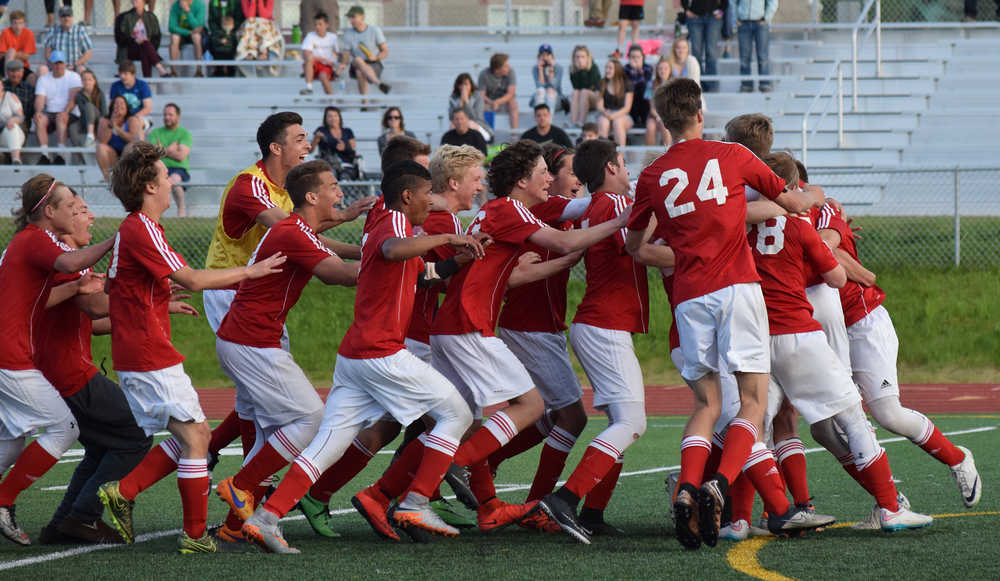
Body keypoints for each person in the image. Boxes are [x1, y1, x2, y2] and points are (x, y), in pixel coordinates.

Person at [242, 161, 485, 551]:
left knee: (328, 445)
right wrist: (451, 240)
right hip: (381, 353)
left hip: (356, 357)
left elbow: (423, 274)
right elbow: (392, 250)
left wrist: (460, 260)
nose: (431, 204)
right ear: (407, 196)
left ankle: (267, 518)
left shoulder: (391, 222)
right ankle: (416, 502)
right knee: (458, 414)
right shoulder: (393, 224)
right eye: (427, 196)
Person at [626, 78, 826, 549]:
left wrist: (682, 252)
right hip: (736, 288)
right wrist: (816, 196)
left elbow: (637, 247)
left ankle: (688, 490)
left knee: (705, 404)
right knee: (752, 403)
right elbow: (792, 203)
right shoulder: (732, 155)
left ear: (661, 120)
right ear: (701, 113)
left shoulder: (652, 176)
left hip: (690, 297)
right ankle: (720, 484)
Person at [428, 139, 633, 533]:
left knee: (465, 419)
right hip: (494, 325)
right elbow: (571, 231)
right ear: (533, 179)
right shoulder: (533, 208)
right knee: (548, 412)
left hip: (478, 325)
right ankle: (477, 471)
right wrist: (628, 210)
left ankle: (420, 491)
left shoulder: (511, 209)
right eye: (563, 172)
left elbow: (516, 264)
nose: (571, 180)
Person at [95, 142, 285, 554]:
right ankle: (194, 537)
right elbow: (196, 278)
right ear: (148, 186)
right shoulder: (140, 227)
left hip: (142, 350)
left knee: (190, 436)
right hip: (148, 353)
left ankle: (124, 491)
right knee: (199, 436)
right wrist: (251, 271)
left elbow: (120, 288)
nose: (171, 181)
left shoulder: (138, 228)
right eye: (165, 176)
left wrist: (161, 297)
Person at [199, 112, 369, 544]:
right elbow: (331, 268)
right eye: (332, 188)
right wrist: (392, 257)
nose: (306, 144)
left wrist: (374, 248)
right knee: (306, 418)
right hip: (238, 314)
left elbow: (318, 244)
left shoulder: (297, 223)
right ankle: (239, 483)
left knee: (273, 420)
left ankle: (240, 516)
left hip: (252, 331)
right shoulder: (260, 195)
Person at [815, 185, 983, 515]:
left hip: (861, 322)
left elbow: (826, 246)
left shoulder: (822, 209)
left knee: (887, 414)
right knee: (824, 428)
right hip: (818, 333)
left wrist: (850, 260)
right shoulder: (778, 219)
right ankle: (888, 499)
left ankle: (957, 458)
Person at [539, 138, 667, 544]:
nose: (628, 172)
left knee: (620, 423)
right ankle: (566, 499)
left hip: (603, 323)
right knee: (632, 422)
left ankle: (592, 511)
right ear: (611, 168)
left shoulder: (605, 205)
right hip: (602, 324)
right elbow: (637, 244)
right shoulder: (611, 205)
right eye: (624, 165)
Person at [33, 198, 157, 546]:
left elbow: (95, 321)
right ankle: (82, 517)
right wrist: (149, 294)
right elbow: (94, 305)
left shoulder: (61, 260)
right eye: (81, 210)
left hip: (59, 372)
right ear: (58, 217)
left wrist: (154, 309)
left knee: (104, 446)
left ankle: (64, 524)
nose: (91, 216)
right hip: (69, 373)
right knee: (136, 433)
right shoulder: (63, 262)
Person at [0, 174, 113, 547]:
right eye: (70, 207)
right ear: (49, 212)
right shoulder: (36, 240)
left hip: (12, 351)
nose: (79, 211)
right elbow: (68, 263)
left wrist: (78, 287)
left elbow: (48, 288)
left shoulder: (33, 241)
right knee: (64, 428)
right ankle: (3, 502)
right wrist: (117, 241)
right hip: (9, 354)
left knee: (13, 440)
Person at [490, 144, 590, 518]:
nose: (577, 178)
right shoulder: (546, 207)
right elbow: (587, 210)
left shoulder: (552, 208)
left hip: (541, 326)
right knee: (572, 417)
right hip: (529, 326)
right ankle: (540, 505)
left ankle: (486, 463)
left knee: (548, 414)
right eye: (569, 170)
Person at [33, 50, 82, 166]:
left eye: (60, 63)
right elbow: (40, 98)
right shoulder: (43, 79)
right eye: (55, 63)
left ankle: (61, 154)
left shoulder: (73, 77)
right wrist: (38, 112)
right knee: (39, 119)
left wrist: (65, 112)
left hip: (69, 112)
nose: (58, 65)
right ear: (51, 64)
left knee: (61, 117)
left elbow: (73, 99)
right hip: (50, 112)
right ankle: (44, 155)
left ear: (65, 64)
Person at [148, 103, 193, 217]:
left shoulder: (184, 134)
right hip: (158, 167)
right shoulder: (155, 133)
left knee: (174, 181)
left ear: (178, 116)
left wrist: (162, 151)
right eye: (165, 115)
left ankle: (181, 213)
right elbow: (152, 154)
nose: (167, 117)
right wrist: (170, 149)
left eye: (170, 115)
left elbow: (181, 156)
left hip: (178, 169)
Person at [340, 5, 390, 96]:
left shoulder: (375, 30)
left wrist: (375, 57)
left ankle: (364, 103)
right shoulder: (348, 34)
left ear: (362, 17)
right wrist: (342, 64)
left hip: (373, 64)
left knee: (360, 72)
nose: (351, 21)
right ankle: (379, 83)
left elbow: (385, 51)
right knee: (358, 60)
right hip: (356, 63)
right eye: (350, 18)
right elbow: (346, 57)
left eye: (353, 17)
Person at [114, 0, 171, 78]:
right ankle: (160, 68)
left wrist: (146, 42)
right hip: (128, 51)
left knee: (144, 46)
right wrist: (134, 40)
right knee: (145, 44)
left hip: (146, 50)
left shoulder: (151, 17)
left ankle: (147, 80)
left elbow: (157, 37)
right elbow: (119, 38)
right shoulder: (123, 17)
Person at [97, 95, 144, 181]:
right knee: (100, 147)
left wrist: (117, 129)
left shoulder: (132, 119)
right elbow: (103, 141)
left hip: (128, 154)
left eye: (122, 103)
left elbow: (132, 139)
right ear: (112, 107)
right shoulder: (104, 121)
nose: (119, 106)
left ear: (127, 107)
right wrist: (111, 124)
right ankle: (108, 177)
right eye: (116, 103)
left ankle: (124, 174)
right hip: (112, 153)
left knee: (132, 145)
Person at [734, 0, 777, 92]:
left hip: (760, 23)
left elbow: (773, 2)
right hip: (743, 23)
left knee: (763, 56)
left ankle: (765, 84)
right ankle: (746, 85)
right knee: (744, 57)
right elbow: (732, 2)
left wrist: (766, 18)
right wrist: (735, 17)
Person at [682, 0, 723, 92]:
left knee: (711, 52)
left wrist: (721, 10)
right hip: (695, 17)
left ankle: (712, 84)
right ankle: (698, 84)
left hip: (713, 17)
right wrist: (686, 10)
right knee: (696, 53)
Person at [300, 11, 343, 96]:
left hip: (327, 67)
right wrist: (323, 59)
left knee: (323, 76)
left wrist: (339, 64)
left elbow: (340, 53)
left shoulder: (333, 37)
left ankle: (332, 100)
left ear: (327, 25)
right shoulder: (310, 36)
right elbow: (306, 54)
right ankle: (309, 87)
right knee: (309, 59)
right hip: (314, 65)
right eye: (316, 24)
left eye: (320, 24)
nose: (317, 27)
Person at [311, 106, 358, 180]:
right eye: (330, 116)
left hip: (346, 165)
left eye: (335, 116)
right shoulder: (321, 130)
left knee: (345, 177)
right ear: (325, 119)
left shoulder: (347, 131)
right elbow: (310, 150)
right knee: (331, 176)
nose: (333, 118)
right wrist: (316, 139)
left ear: (339, 117)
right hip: (328, 165)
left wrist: (345, 148)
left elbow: (354, 153)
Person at [596, 60, 634, 146]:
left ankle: (621, 156)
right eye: (606, 67)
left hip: (623, 115)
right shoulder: (602, 83)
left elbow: (627, 108)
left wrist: (613, 116)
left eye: (610, 68)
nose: (607, 70)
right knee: (603, 122)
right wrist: (605, 113)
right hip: (606, 114)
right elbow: (599, 106)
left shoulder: (627, 83)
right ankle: (602, 155)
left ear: (617, 70)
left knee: (617, 122)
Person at [44, 7, 93, 73]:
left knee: (82, 70)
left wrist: (75, 65)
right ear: (59, 18)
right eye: (63, 16)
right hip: (56, 67)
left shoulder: (80, 30)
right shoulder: (53, 31)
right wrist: (57, 66)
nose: (66, 18)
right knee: (42, 69)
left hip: (76, 66)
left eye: (68, 16)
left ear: (72, 17)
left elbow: (88, 54)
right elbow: (47, 53)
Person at [478, 53, 518, 130]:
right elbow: (481, 95)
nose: (509, 67)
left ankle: (514, 133)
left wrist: (497, 102)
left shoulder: (511, 72)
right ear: (497, 69)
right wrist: (491, 103)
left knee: (513, 103)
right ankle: (488, 133)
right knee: (481, 106)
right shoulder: (484, 74)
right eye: (506, 66)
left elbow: (511, 94)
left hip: (505, 101)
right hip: (489, 102)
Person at [448, 72, 492, 142]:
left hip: (477, 123)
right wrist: (461, 103)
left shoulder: (478, 96)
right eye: (461, 84)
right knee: (452, 126)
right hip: (460, 123)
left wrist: (466, 101)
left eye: (466, 84)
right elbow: (451, 117)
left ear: (471, 85)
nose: (463, 87)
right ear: (457, 86)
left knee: (469, 124)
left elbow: (476, 117)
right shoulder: (453, 97)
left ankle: (483, 142)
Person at [169, 0, 206, 77]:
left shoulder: (200, 5)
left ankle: (199, 71)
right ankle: (173, 71)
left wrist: (188, 11)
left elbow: (198, 26)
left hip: (195, 34)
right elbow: (171, 27)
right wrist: (188, 32)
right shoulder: (175, 6)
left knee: (197, 37)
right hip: (183, 33)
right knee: (174, 37)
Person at [109, 60, 152, 125]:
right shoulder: (115, 86)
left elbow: (147, 108)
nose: (122, 76)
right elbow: (111, 107)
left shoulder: (143, 85)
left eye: (125, 74)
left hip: (139, 116)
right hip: (120, 116)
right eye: (121, 73)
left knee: (134, 123)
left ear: (133, 75)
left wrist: (132, 118)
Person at [569, 45, 600, 127]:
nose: (580, 59)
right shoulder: (572, 69)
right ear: (573, 58)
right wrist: (579, 71)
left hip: (595, 98)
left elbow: (589, 86)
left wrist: (582, 71)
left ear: (587, 58)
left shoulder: (593, 67)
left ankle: (581, 123)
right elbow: (576, 87)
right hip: (581, 99)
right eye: (577, 57)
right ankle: (574, 123)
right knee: (575, 92)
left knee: (584, 91)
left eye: (583, 57)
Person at [1, 11, 36, 84]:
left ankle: (29, 95)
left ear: (24, 24)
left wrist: (12, 54)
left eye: (20, 23)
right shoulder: (5, 32)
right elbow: (1, 54)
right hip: (4, 66)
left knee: (33, 78)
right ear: (11, 23)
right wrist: (16, 53)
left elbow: (26, 56)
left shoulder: (29, 33)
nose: (18, 26)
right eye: (15, 23)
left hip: (22, 66)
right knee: (11, 51)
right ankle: (8, 80)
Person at [623, 44, 653, 130]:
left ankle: (643, 120)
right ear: (629, 58)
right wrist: (633, 70)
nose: (635, 59)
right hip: (631, 95)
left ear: (642, 57)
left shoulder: (648, 68)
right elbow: (627, 84)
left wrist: (638, 70)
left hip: (644, 96)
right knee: (631, 92)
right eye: (633, 57)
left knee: (643, 89)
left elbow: (646, 82)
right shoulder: (625, 69)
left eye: (638, 57)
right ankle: (635, 120)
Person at [645, 56, 672, 145]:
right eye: (660, 68)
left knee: (665, 126)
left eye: (665, 68)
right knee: (650, 127)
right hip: (655, 115)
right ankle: (651, 156)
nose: (663, 71)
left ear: (670, 70)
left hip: (670, 115)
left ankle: (667, 153)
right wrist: (658, 117)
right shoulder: (651, 84)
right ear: (657, 70)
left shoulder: (675, 84)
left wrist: (665, 117)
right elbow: (652, 107)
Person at [75, 68, 105, 148]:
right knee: (72, 127)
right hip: (85, 119)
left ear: (94, 81)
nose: (87, 82)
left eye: (89, 79)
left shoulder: (100, 93)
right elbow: (82, 111)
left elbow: (104, 113)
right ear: (81, 81)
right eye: (84, 80)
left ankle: (90, 136)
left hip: (98, 120)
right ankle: (79, 153)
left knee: (88, 105)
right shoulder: (79, 94)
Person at [531, 44, 563, 114]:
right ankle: (540, 118)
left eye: (547, 55)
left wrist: (551, 69)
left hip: (556, 100)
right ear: (539, 57)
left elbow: (553, 86)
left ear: (552, 56)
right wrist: (540, 70)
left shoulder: (558, 67)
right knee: (540, 90)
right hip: (542, 98)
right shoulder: (535, 68)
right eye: (542, 55)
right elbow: (539, 86)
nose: (545, 57)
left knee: (550, 91)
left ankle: (548, 123)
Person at [4, 59, 33, 136]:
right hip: (2, 122)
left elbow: (31, 111)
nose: (15, 74)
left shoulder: (29, 88)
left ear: (23, 72)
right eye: (12, 71)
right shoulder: (2, 87)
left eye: (18, 71)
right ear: (7, 72)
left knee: (13, 128)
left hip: (22, 124)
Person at [0, 79, 25, 164]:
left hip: (10, 134)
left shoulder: (10, 96)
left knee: (11, 127)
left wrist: (13, 120)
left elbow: (20, 117)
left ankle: (16, 160)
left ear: (2, 86)